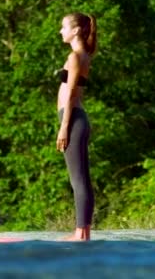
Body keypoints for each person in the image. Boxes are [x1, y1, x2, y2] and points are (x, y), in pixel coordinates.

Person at [56, 12, 96, 241]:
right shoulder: (84, 55)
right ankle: (84, 231)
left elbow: (70, 92)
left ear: (76, 30)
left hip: (72, 119)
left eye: (64, 27)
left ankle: (81, 233)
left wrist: (64, 126)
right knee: (81, 178)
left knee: (78, 179)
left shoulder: (75, 56)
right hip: (77, 119)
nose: (61, 31)